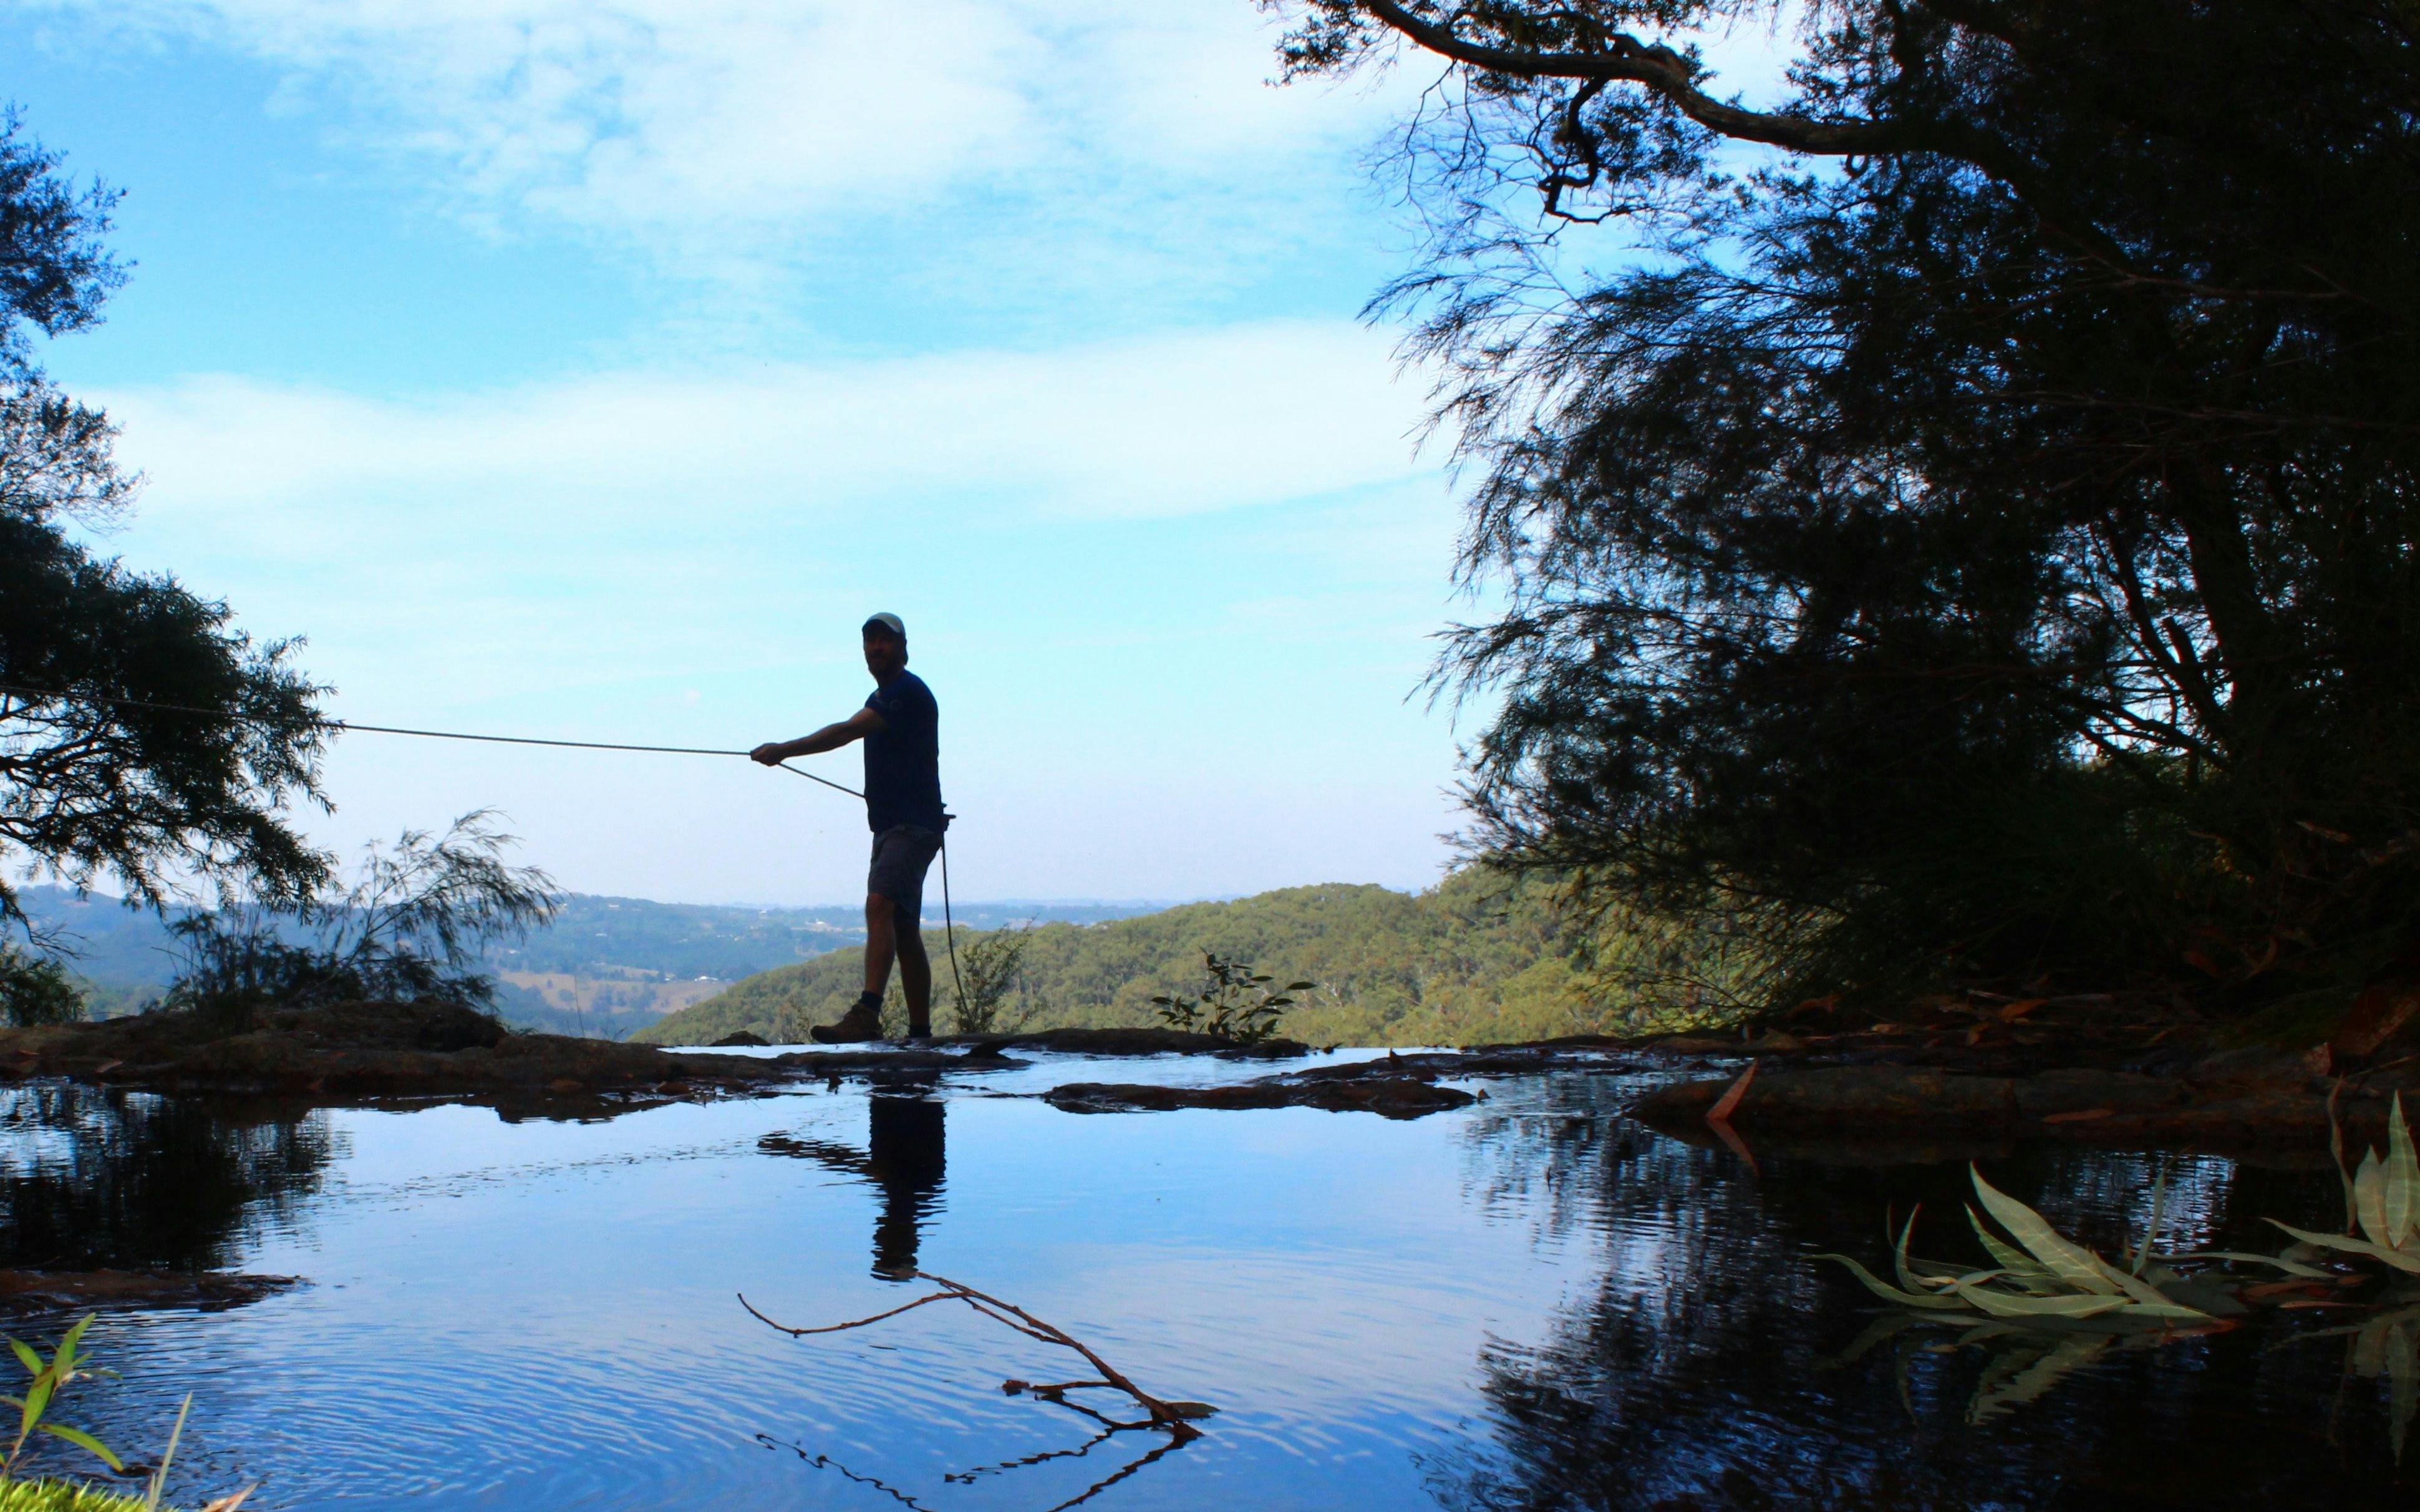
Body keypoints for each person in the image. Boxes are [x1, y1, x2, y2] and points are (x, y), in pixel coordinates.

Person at [752, 613, 946, 1042]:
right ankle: (920, 1033)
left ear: (903, 646)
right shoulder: (889, 694)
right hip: (903, 824)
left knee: (880, 904)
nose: (876, 648)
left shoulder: (903, 693)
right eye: (869, 642)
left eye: (885, 641)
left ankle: (868, 1014)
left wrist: (784, 750)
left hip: (908, 828)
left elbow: (845, 731)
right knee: (903, 928)